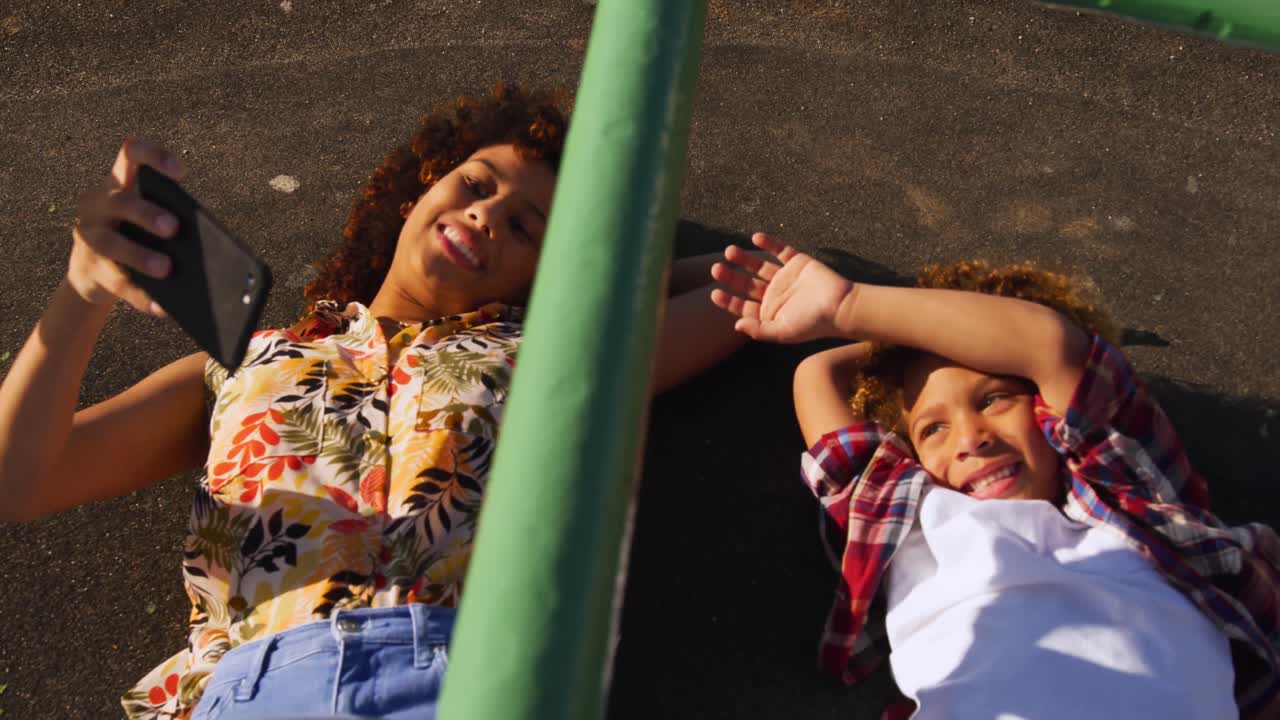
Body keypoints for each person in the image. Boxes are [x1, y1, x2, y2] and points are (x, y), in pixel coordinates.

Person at [0, 84, 748, 720]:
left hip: (465, 681)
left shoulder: (555, 356)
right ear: (420, 186)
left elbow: (746, 288)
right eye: (475, 184)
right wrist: (83, 291)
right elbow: (18, 480)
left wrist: (601, 280)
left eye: (525, 227)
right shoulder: (245, 359)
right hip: (256, 690)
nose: (487, 214)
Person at [710, 233, 1280, 719]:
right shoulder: (915, 520)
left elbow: (1050, 346)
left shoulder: (1128, 500)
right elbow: (818, 377)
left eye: (994, 398)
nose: (969, 438)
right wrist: (892, 342)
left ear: (1047, 412)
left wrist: (852, 305)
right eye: (931, 430)